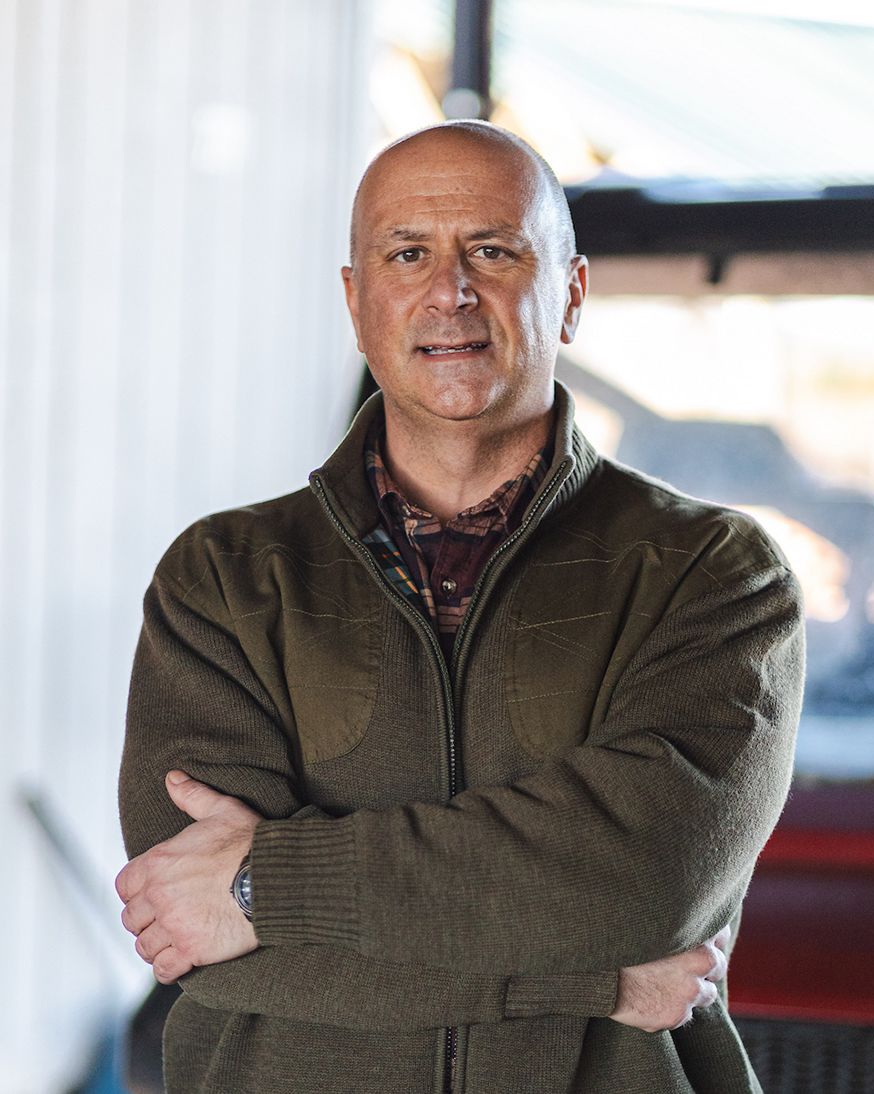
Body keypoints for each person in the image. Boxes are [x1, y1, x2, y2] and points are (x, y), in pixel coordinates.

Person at [115, 121, 804, 1094]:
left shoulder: (710, 571)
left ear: (570, 292)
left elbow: (648, 879)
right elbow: (196, 929)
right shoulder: (225, 577)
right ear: (357, 303)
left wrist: (270, 883)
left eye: (493, 249)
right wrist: (596, 975)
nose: (451, 291)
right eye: (408, 254)